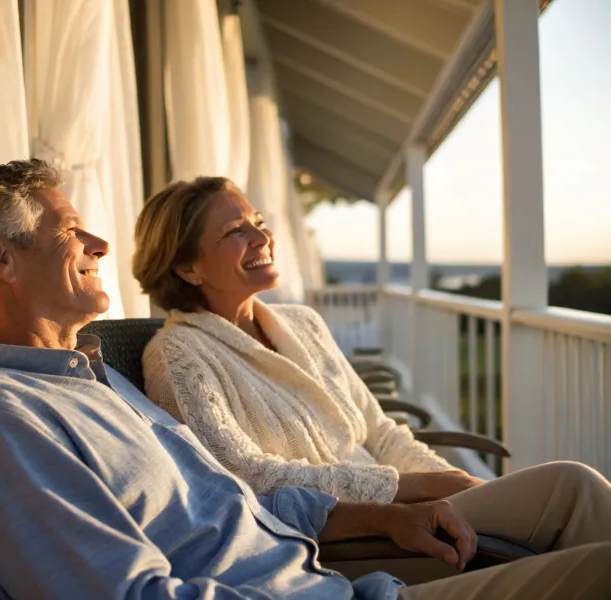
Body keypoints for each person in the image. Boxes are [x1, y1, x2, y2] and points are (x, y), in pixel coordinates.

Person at [0, 159, 611, 600]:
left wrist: (386, 515)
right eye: (72, 230)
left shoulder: (96, 382)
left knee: (576, 493)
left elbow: (238, 500)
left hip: (341, 576)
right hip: (329, 585)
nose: (101, 245)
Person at [133, 177, 611, 522]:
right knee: (572, 486)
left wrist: (459, 486)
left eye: (257, 222)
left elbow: (379, 432)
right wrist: (412, 488)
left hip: (422, 512)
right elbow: (240, 477)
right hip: (358, 539)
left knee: (573, 499)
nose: (262, 237)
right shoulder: (178, 358)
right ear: (186, 268)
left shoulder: (302, 324)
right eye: (235, 231)